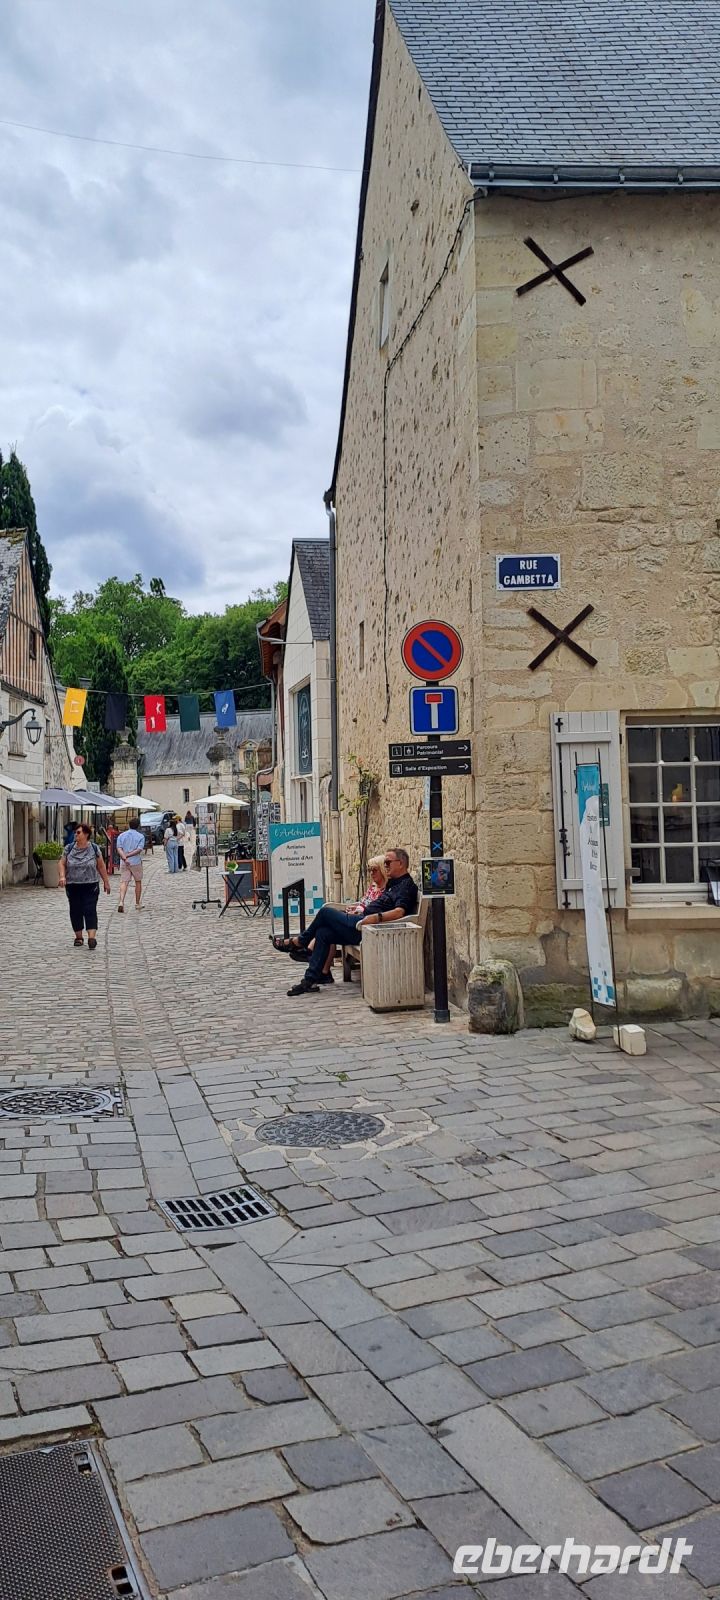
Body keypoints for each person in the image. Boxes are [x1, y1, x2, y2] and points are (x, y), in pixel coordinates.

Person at [284, 848, 418, 997]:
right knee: (323, 933)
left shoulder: (406, 886)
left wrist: (376, 917)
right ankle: (310, 980)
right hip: (363, 923)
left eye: (387, 862)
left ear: (401, 863)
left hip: (370, 928)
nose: (385, 866)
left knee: (325, 912)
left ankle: (300, 942)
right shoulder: (393, 883)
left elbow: (399, 912)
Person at [272, 854, 389, 984]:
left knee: (325, 913)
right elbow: (363, 903)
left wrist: (360, 910)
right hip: (355, 919)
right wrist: (354, 907)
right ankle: (322, 972)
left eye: (374, 870)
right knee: (324, 930)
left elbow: (375, 911)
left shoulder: (386, 892)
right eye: (369, 870)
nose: (371, 873)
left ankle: (302, 944)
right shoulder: (373, 887)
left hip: (362, 926)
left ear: (382, 871)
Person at [58, 822, 111, 950]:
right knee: (75, 910)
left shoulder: (94, 848)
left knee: (90, 909)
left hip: (90, 884)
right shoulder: (69, 848)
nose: (76, 834)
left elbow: (101, 865)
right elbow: (61, 863)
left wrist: (106, 881)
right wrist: (62, 876)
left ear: (86, 834)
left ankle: (91, 938)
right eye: (76, 832)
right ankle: (79, 937)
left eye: (78, 832)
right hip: (73, 885)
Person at [116, 816, 146, 912]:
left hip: (124, 862)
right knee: (138, 881)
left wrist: (124, 857)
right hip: (135, 862)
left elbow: (119, 848)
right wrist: (129, 855)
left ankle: (121, 901)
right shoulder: (141, 836)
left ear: (129, 825)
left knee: (124, 881)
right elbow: (139, 849)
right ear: (138, 826)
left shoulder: (121, 835)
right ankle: (137, 903)